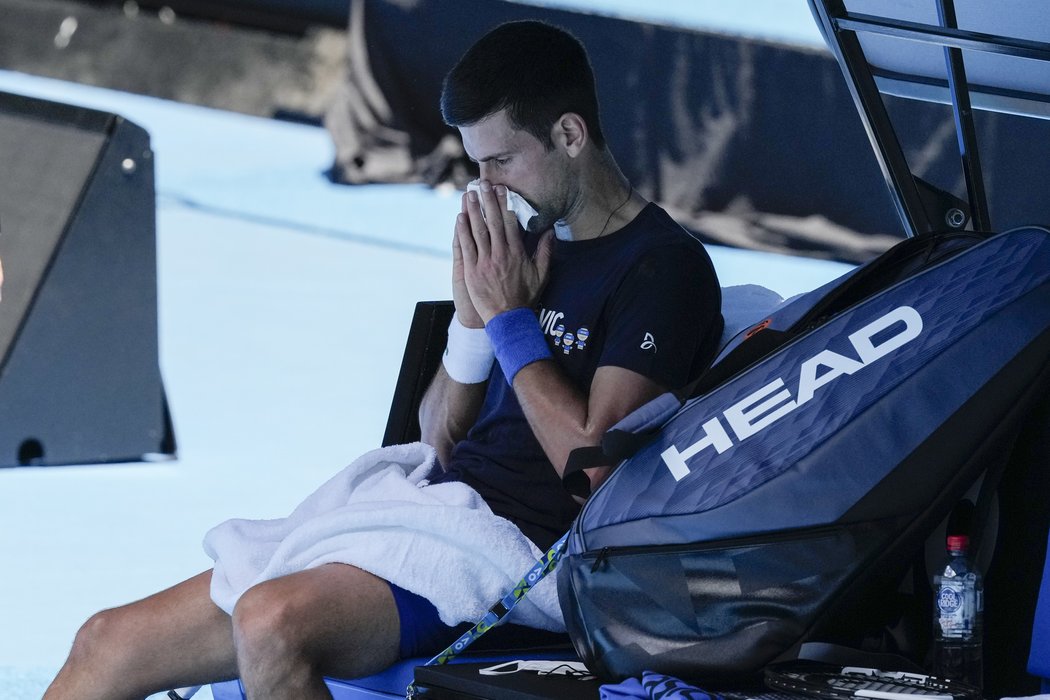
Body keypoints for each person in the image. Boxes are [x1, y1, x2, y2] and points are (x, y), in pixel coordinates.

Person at [44, 20, 722, 700]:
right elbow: (437, 443)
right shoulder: (523, 248)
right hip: (430, 514)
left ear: (570, 136)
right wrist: (471, 317)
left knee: (271, 624)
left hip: (514, 556)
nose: (486, 186)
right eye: (475, 164)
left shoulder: (663, 268)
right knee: (105, 642)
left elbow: (593, 467)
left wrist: (513, 322)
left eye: (502, 161)